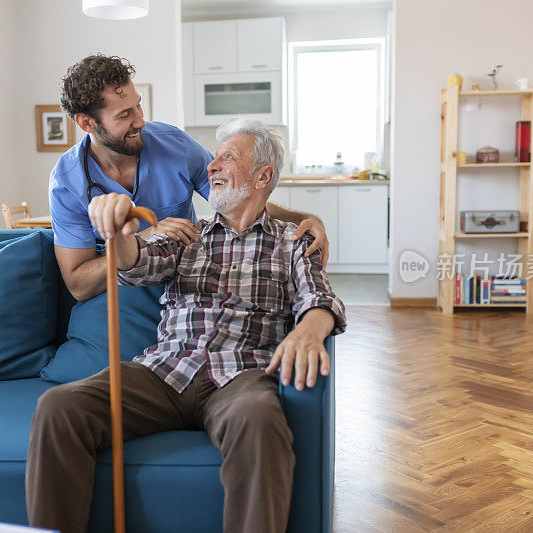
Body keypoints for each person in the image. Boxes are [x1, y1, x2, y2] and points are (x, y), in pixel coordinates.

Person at [26, 118, 346, 533]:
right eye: (214, 157)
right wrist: (118, 231)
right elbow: (134, 261)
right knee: (58, 407)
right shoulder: (185, 236)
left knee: (262, 424)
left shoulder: (292, 241)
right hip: (163, 372)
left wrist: (307, 331)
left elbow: (319, 297)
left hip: (241, 374)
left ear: (263, 175)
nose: (212, 166)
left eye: (228, 157)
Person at [49, 54, 330, 301]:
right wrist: (142, 239)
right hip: (113, 291)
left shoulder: (174, 145)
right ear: (87, 123)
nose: (140, 121)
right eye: (125, 115)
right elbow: (79, 286)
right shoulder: (67, 182)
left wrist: (302, 219)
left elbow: (240, 200)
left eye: (138, 106)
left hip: (178, 280)